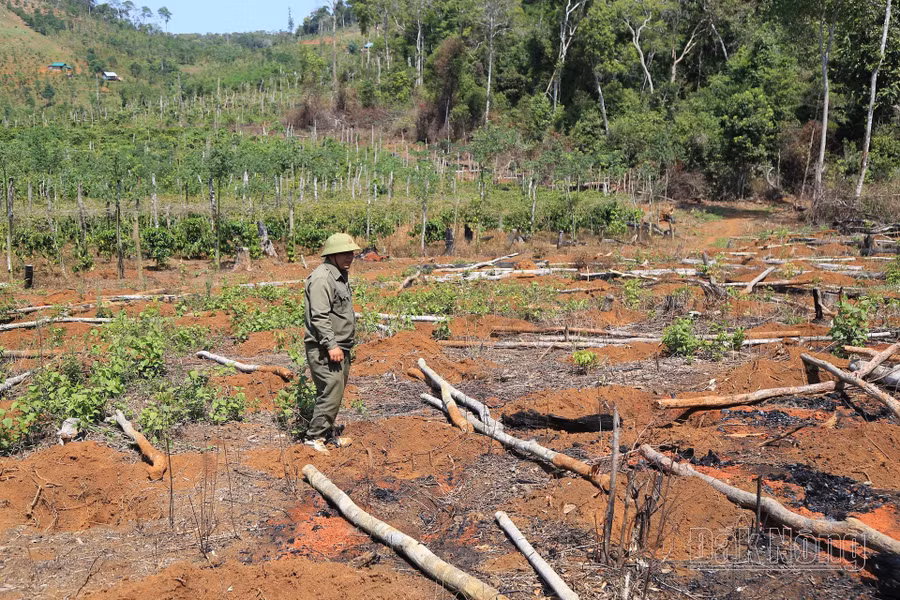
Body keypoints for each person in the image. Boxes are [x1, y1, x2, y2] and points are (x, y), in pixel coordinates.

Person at [303, 232, 361, 454]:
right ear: (332, 255)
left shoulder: (339, 274)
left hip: (339, 347)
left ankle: (326, 435)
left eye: (352, 253)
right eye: (344, 253)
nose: (350, 257)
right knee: (331, 390)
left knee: (334, 392)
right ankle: (314, 438)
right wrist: (331, 345)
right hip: (325, 348)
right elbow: (319, 316)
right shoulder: (322, 278)